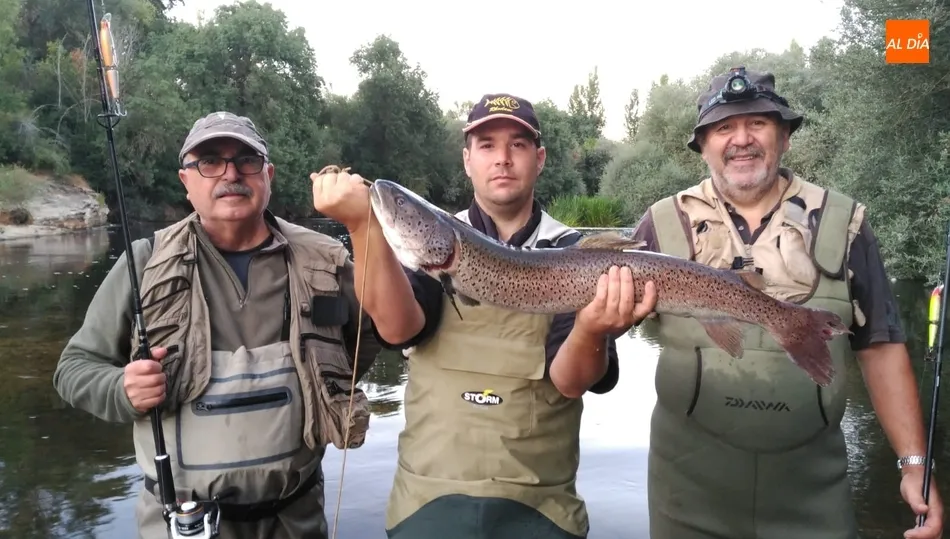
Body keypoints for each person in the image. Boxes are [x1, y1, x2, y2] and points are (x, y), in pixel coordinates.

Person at [311, 93, 658, 539]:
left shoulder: (574, 253)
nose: (503, 159)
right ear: (467, 160)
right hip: (426, 501)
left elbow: (572, 383)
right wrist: (364, 229)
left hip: (541, 508)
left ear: (540, 158)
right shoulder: (429, 245)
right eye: (488, 145)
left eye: (517, 144)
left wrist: (593, 326)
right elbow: (399, 328)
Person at [630, 67, 944, 539]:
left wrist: (914, 463)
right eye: (723, 128)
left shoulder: (845, 223)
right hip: (686, 497)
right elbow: (594, 357)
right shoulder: (659, 223)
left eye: (757, 123)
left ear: (785, 137)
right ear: (703, 145)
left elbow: (880, 345)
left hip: (813, 500)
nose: (741, 139)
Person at [52, 111, 381, 539]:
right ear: (186, 182)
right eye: (209, 161)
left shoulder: (326, 260)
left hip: (296, 520)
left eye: (246, 159)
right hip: (181, 524)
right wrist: (122, 390)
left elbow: (372, 340)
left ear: (268, 175)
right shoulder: (142, 262)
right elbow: (74, 368)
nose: (230, 173)